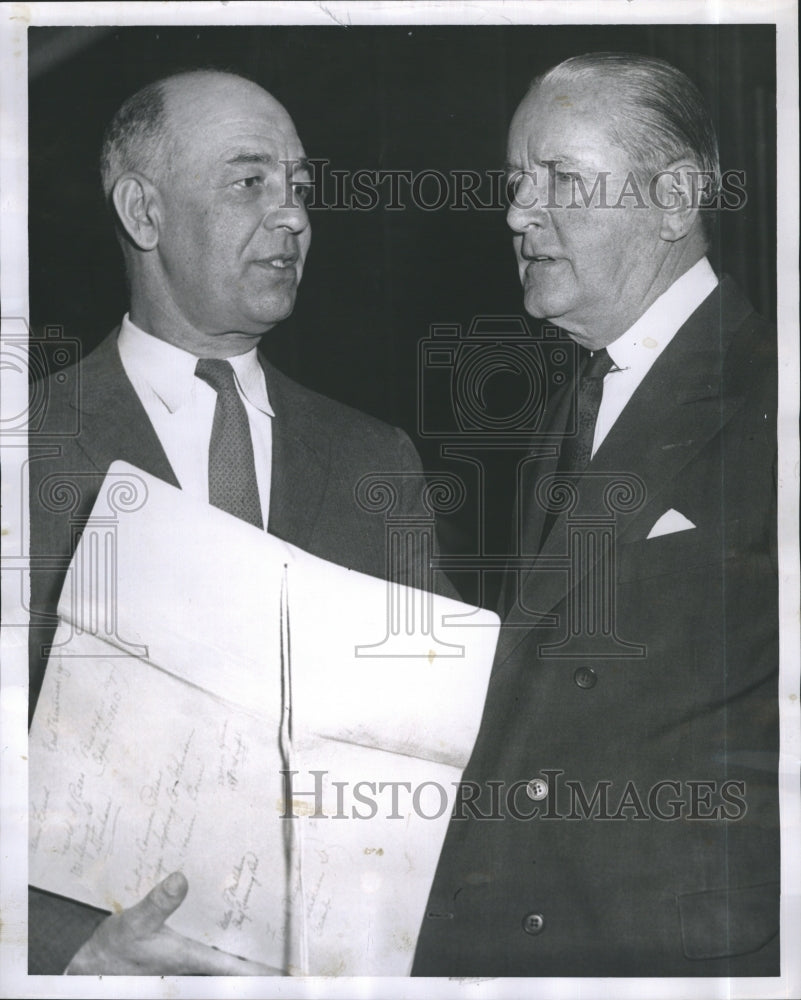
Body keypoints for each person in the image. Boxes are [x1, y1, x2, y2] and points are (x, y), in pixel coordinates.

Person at [28, 69, 443, 975]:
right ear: (143, 212)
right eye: (250, 181)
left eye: (299, 186)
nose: (292, 215)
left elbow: (434, 750)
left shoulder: (376, 462)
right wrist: (64, 958)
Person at [413, 52, 779, 977]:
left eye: (560, 180)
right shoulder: (569, 407)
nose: (517, 214)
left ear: (674, 199)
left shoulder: (771, 400)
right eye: (515, 183)